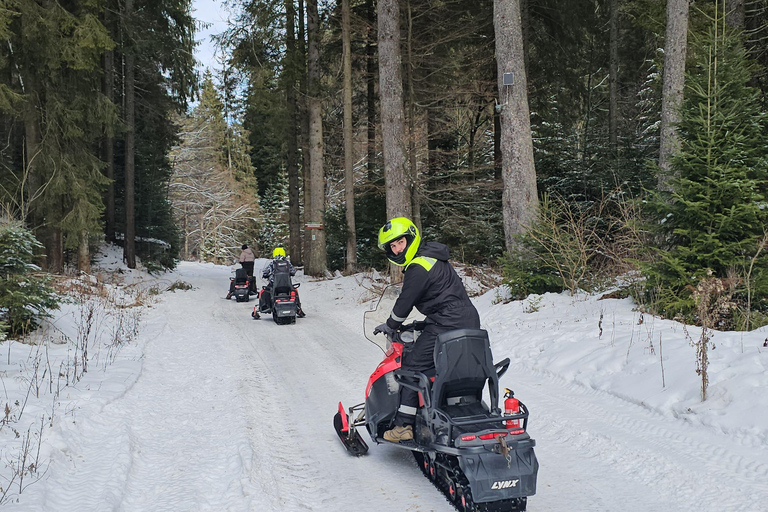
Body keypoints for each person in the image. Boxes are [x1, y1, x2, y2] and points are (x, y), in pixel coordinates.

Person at [374, 217, 480, 443]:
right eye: (393, 246)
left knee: (412, 366)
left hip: (447, 323)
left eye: (400, 242)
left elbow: (405, 302)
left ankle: (403, 426)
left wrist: (390, 325)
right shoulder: (433, 257)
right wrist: (425, 323)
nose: (397, 249)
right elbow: (444, 296)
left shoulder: (418, 266)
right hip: (467, 318)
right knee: (453, 367)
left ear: (411, 238)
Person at [257, 247, 305, 317]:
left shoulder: (272, 264)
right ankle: (298, 308)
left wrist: (266, 275)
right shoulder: (287, 263)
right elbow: (293, 271)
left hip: (274, 284)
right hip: (287, 284)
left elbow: (266, 272)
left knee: (265, 292)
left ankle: (265, 306)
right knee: (294, 292)